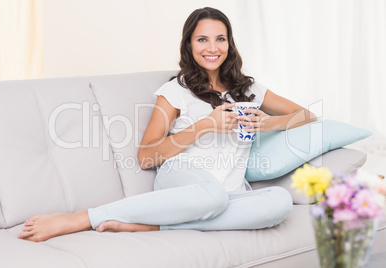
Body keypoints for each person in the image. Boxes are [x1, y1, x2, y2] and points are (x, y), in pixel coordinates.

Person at [18, 7, 316, 242]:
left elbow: (308, 116)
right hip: (183, 179)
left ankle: (153, 227)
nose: (212, 48)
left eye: (220, 38)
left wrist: (268, 123)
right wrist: (204, 126)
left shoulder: (249, 90)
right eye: (202, 39)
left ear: (229, 43)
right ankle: (84, 217)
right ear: (189, 44)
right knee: (211, 196)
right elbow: (147, 156)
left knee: (279, 202)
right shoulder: (176, 91)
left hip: (231, 192)